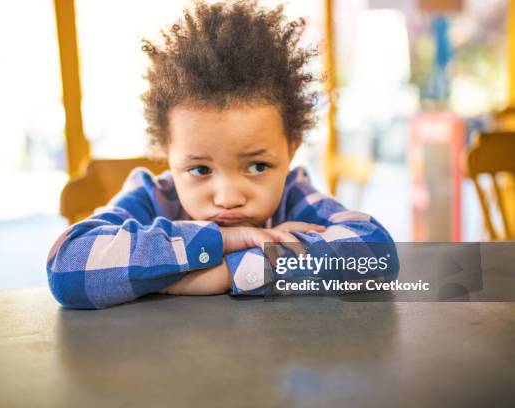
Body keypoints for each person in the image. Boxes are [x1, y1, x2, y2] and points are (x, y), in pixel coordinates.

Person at [46, 0, 398, 309]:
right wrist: (221, 240)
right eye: (200, 169)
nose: (228, 198)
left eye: (258, 166)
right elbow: (68, 265)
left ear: (291, 150)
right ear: (168, 154)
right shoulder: (153, 197)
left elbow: (375, 254)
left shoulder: (292, 196)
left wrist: (228, 272)